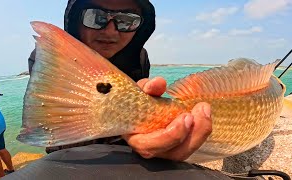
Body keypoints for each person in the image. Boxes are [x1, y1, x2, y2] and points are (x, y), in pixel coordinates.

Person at [28, 0, 212, 161]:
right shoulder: (55, 58)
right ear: (76, 19)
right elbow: (60, 120)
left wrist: (149, 129)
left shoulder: (139, 57)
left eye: (126, 21)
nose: (110, 31)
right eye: (96, 17)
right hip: (69, 156)